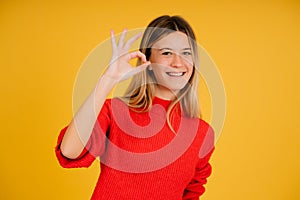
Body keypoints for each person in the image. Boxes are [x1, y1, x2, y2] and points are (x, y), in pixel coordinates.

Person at [55, 15, 215, 199]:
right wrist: (108, 80)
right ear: (147, 60)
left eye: (186, 53)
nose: (178, 63)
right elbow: (70, 151)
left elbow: (191, 195)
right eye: (166, 53)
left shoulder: (202, 133)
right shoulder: (116, 112)